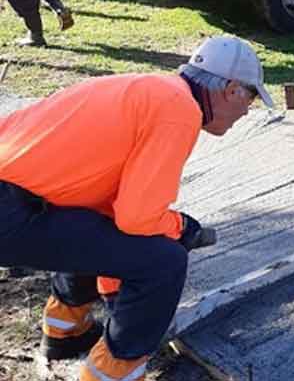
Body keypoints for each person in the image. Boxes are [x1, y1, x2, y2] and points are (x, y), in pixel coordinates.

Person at [0, 35, 274, 380]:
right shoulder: (179, 112)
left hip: (19, 197)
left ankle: (64, 332)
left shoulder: (149, 89)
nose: (248, 110)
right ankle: (112, 373)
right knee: (164, 262)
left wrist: (116, 293)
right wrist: (181, 229)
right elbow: (137, 219)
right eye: (250, 98)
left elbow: (110, 209)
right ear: (232, 89)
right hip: (13, 211)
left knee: (94, 223)